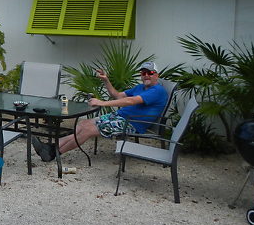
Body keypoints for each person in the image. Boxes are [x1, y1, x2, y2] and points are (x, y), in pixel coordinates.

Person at [32, 61, 169, 162]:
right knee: (83, 123)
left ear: (157, 75)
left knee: (88, 130)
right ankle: (50, 147)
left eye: (150, 73)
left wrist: (102, 103)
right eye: (143, 73)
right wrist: (106, 80)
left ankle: (53, 153)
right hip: (120, 117)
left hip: (132, 124)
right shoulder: (140, 87)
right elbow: (117, 95)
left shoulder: (157, 91)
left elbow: (131, 101)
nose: (146, 76)